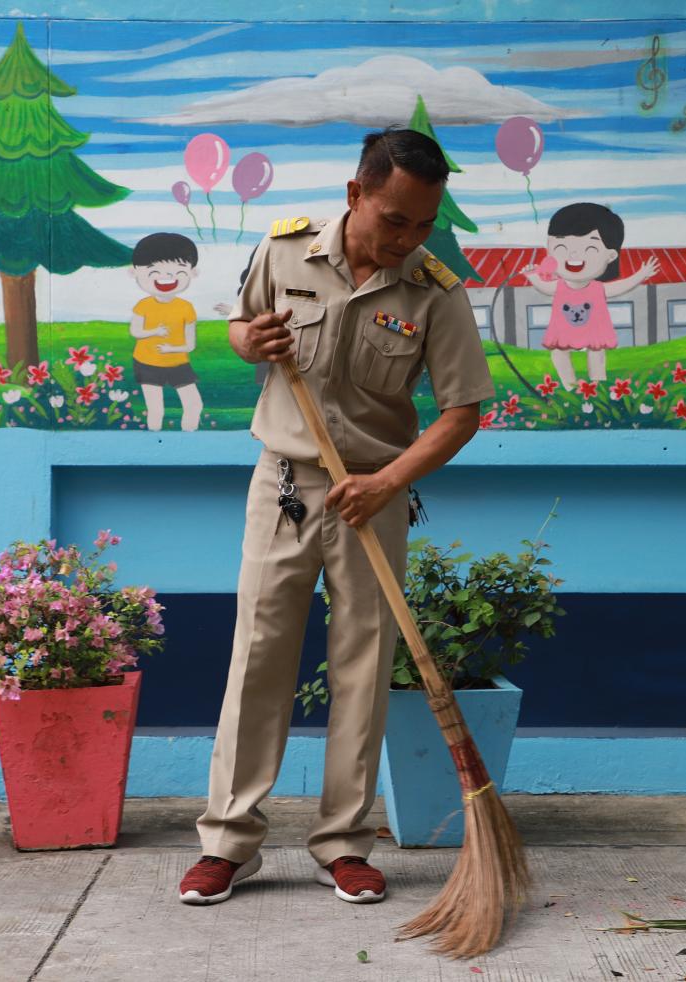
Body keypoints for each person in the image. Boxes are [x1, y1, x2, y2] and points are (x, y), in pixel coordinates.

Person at [178, 129, 496, 907]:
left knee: (361, 667)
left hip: (372, 495)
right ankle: (228, 842)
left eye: (424, 224)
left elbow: (463, 412)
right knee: (259, 657)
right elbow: (239, 329)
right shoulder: (284, 250)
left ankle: (344, 844)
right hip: (283, 483)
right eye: (395, 220)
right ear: (356, 195)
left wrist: (387, 481)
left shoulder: (434, 290)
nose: (408, 239)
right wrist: (248, 341)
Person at [520, 202, 659, 390]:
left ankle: (597, 385)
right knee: (559, 353)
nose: (574, 254)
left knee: (596, 353)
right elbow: (544, 286)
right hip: (564, 330)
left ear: (610, 256)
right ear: (549, 249)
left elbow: (620, 286)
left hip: (593, 329)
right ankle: (570, 387)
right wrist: (533, 276)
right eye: (561, 246)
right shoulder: (559, 286)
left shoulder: (597, 288)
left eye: (590, 248)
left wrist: (640, 275)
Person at [129, 232, 204, 431]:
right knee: (155, 409)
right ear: (134, 272)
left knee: (194, 405)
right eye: (154, 271)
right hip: (147, 362)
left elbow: (190, 344)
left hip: (178, 363)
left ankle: (189, 441)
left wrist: (172, 348)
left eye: (178, 270)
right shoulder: (143, 306)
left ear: (193, 272)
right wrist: (154, 331)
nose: (167, 277)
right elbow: (135, 331)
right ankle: (154, 444)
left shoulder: (186, 308)